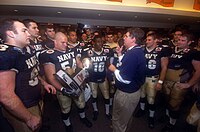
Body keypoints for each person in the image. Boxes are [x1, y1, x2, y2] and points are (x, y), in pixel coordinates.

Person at [0, 19, 55, 132]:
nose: (28, 34)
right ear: (11, 33)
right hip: (23, 107)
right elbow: (5, 95)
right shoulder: (7, 55)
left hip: (35, 100)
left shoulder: (25, 50)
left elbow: (32, 71)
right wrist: (28, 118)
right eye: (24, 30)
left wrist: (44, 83)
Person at [40, 32, 92, 132]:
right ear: (54, 42)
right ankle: (67, 124)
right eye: (62, 42)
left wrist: (83, 75)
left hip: (76, 83)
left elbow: (79, 64)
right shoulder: (48, 54)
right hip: (62, 86)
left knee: (81, 104)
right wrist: (63, 89)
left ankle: (83, 117)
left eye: (66, 42)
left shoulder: (72, 50)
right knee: (65, 108)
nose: (65, 45)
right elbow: (51, 78)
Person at [108, 28, 146, 132]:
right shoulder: (135, 51)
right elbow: (127, 67)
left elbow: (125, 78)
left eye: (126, 36)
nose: (123, 38)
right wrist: (120, 55)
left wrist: (114, 69)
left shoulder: (132, 54)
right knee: (126, 118)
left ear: (133, 39)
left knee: (119, 121)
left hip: (126, 94)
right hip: (132, 92)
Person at [162, 33, 200, 131]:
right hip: (167, 80)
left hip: (179, 82)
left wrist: (189, 84)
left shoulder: (193, 52)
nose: (179, 42)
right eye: (179, 40)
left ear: (189, 42)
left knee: (174, 104)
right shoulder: (170, 50)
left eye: (183, 40)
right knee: (167, 101)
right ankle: (167, 117)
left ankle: (172, 123)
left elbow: (198, 70)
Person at [135, 32, 170, 128]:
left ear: (156, 40)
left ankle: (151, 117)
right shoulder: (142, 49)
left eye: (149, 40)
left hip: (153, 78)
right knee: (141, 95)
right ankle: (142, 110)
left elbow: (164, 67)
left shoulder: (161, 50)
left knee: (151, 99)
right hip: (142, 77)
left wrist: (160, 81)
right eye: (146, 40)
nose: (147, 41)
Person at [82, 35, 113, 121]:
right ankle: (95, 110)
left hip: (103, 77)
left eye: (101, 42)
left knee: (106, 96)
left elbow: (108, 64)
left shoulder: (107, 51)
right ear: (93, 43)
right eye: (98, 42)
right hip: (92, 78)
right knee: (94, 95)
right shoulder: (88, 52)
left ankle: (107, 112)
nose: (100, 44)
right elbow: (84, 66)